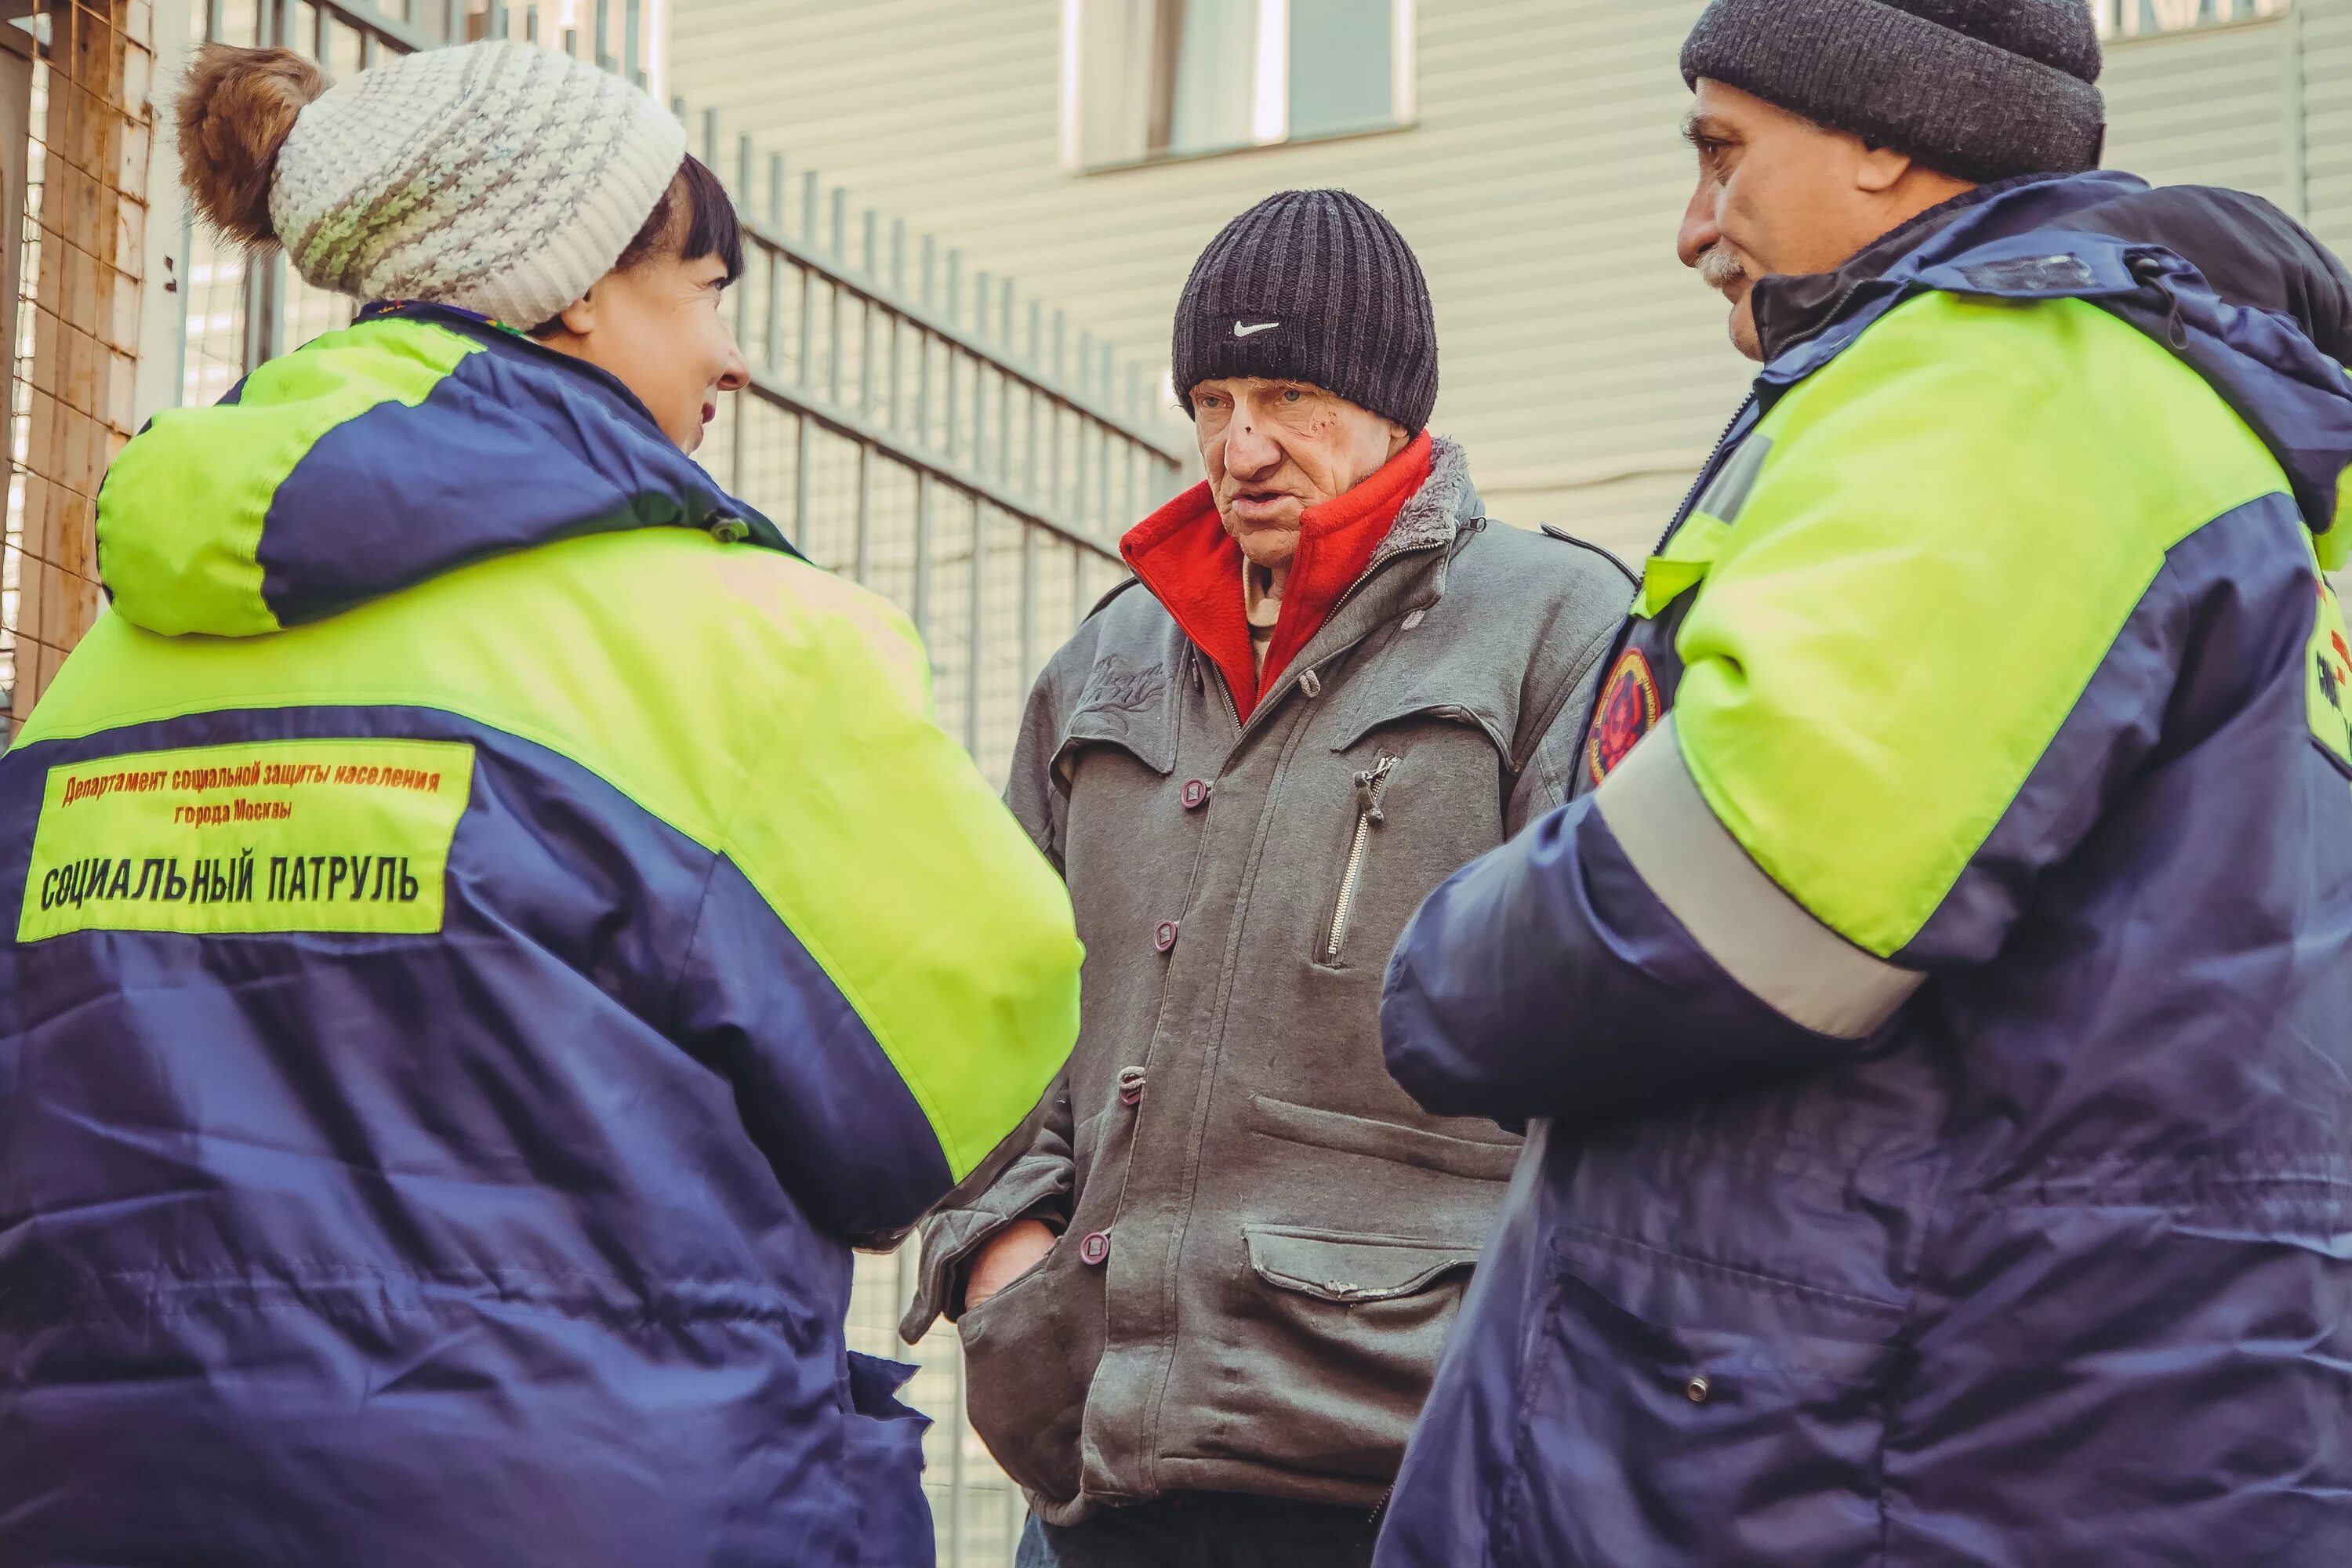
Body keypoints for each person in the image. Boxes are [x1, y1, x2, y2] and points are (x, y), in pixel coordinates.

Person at [0, 40, 1080, 1568]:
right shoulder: (752, 649)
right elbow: (959, 1070)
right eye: (707, 289)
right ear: (577, 286)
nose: (732, 354)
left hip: (106, 1498)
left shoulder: (101, 674)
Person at [1375, 2, 2352, 1563]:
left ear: (1889, 132)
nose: (1695, 227)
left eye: (1722, 152)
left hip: (1878, 1441)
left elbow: (1760, 889)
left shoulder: (2015, 382)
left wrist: (1444, 970)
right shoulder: (2199, 428)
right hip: (2066, 1425)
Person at [902, 189, 1632, 1568]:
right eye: (1215, 400)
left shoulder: (1560, 628)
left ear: (1394, 404)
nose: (1244, 447)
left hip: (1410, 1468)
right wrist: (1001, 1258)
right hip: (1095, 1462)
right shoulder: (1105, 664)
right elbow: (986, 1009)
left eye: (1291, 394)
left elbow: (1615, 1036)